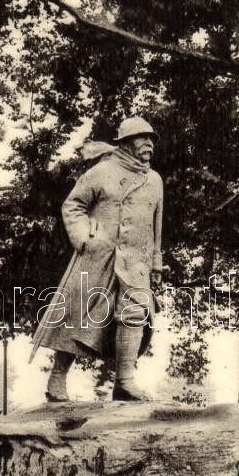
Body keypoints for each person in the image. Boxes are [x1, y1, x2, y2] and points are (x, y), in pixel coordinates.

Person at [30, 116, 164, 402]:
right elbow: (73, 205)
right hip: (100, 257)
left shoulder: (154, 180)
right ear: (126, 143)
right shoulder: (101, 171)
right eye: (142, 138)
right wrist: (84, 238)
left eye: (151, 139)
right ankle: (56, 382)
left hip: (137, 261)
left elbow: (156, 225)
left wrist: (156, 261)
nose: (149, 144)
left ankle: (124, 382)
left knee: (134, 314)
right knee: (78, 316)